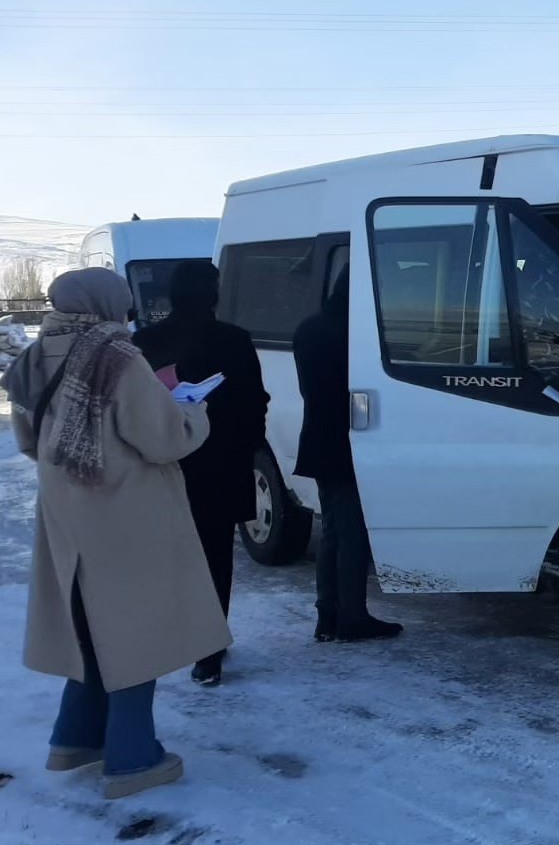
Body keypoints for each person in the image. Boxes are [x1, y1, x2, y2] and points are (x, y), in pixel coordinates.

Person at [1, 268, 230, 800]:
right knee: (134, 630)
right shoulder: (117, 356)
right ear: (109, 304)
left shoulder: (38, 354)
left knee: (87, 623)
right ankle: (132, 758)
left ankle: (75, 738)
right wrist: (190, 411)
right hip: (126, 511)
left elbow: (30, 441)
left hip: (66, 511)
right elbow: (162, 439)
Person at [133, 261, 269, 686]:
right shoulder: (233, 339)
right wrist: (243, 447)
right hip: (220, 462)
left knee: (168, 554)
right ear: (213, 293)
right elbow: (254, 402)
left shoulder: (144, 341)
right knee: (214, 554)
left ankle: (173, 635)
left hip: (160, 465)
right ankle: (208, 651)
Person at [292, 267, 402, 642]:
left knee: (333, 531)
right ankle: (352, 617)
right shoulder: (358, 334)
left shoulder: (308, 329)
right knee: (352, 533)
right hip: (353, 440)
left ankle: (327, 616)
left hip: (319, 438)